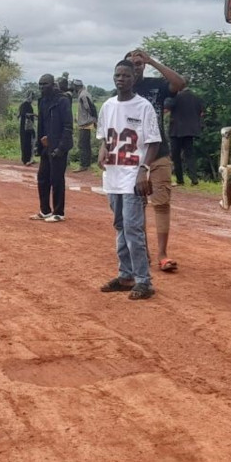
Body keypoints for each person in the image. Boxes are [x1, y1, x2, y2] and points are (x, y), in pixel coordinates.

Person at [98, 60, 162, 300]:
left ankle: (144, 281)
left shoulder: (143, 107)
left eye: (125, 75)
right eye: (117, 75)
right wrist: (102, 149)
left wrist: (144, 169)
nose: (120, 79)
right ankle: (125, 276)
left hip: (133, 177)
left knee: (133, 229)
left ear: (134, 78)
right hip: (113, 176)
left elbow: (154, 141)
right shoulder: (107, 105)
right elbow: (104, 136)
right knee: (119, 227)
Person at [125, 49, 188, 273]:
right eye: (132, 63)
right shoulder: (124, 89)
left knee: (161, 204)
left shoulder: (156, 85)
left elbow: (179, 83)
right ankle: (141, 253)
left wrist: (152, 61)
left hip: (159, 152)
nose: (137, 66)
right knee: (136, 206)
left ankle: (162, 254)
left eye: (140, 62)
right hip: (133, 156)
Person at [31, 75, 72, 223]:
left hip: (59, 147)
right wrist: (39, 144)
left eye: (45, 84)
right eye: (40, 85)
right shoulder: (42, 101)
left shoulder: (62, 101)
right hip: (46, 146)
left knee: (57, 180)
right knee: (42, 177)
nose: (42, 87)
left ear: (53, 84)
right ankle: (45, 210)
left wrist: (61, 148)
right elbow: (41, 124)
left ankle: (59, 212)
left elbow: (68, 127)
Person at [170, 88, 206, 186]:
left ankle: (179, 180)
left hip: (176, 130)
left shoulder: (176, 96)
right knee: (189, 155)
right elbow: (202, 112)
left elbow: (167, 107)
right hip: (190, 130)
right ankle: (194, 179)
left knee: (176, 155)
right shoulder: (196, 97)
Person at [75, 80, 98, 173]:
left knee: (83, 144)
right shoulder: (85, 93)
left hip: (86, 123)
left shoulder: (83, 95)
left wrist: (93, 119)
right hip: (87, 122)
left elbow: (89, 107)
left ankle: (83, 165)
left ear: (77, 86)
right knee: (86, 144)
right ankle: (87, 164)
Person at [18, 93, 36, 166]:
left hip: (25, 127)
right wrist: (34, 115)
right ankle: (26, 159)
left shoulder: (23, 105)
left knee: (27, 143)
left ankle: (27, 159)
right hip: (26, 127)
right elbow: (25, 114)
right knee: (27, 143)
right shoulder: (26, 105)